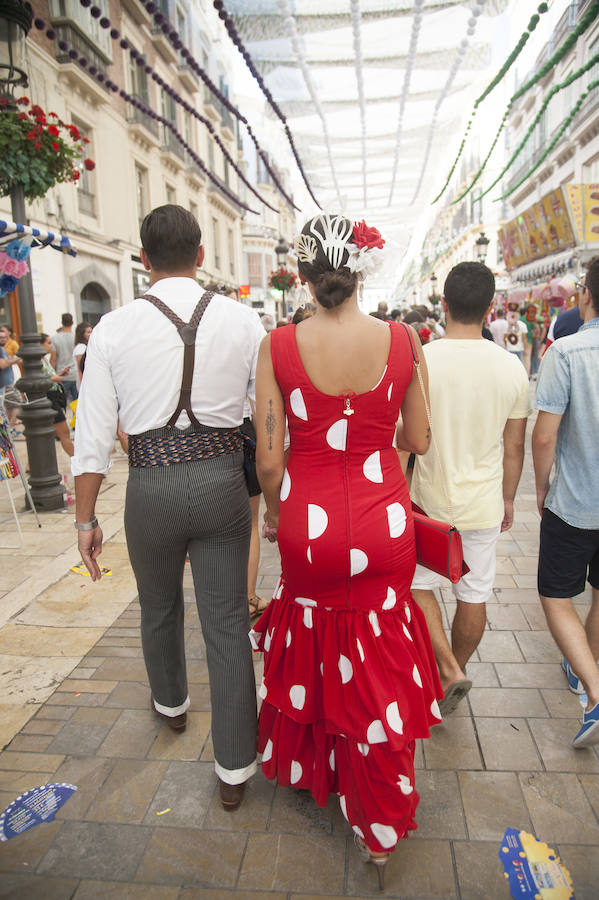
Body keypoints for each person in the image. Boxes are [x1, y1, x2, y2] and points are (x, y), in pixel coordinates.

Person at [253, 214, 442, 889]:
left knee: (317, 647)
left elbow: (269, 463)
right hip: (383, 522)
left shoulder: (276, 344)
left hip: (309, 528)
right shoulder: (401, 339)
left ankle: (323, 775)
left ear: (301, 274)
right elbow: (418, 436)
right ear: (360, 270)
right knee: (377, 662)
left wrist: (277, 517)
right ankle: (381, 826)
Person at [72, 204, 264, 810]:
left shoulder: (112, 330)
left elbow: (93, 437)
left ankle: (173, 707)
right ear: (202, 256)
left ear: (143, 258)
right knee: (228, 622)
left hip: (150, 483)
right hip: (221, 481)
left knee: (157, 605)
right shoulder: (244, 322)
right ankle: (235, 769)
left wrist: (84, 520)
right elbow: (267, 415)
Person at [409, 262, 530, 714]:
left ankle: (447, 668)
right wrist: (508, 498)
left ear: (444, 305)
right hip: (482, 503)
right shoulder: (511, 368)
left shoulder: (422, 359)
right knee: (474, 592)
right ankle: (454, 669)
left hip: (427, 499)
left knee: (416, 585)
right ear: (490, 306)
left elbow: (408, 432)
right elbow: (514, 445)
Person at [532, 257, 599, 748]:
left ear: (586, 297)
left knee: (556, 596)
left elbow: (544, 436)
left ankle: (595, 692)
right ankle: (584, 669)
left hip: (575, 501)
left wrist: (540, 485)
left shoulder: (569, 352)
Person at [40, 334, 74, 457]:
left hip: (53, 396)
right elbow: (45, 379)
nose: (51, 346)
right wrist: (58, 378)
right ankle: (77, 461)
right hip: (49, 398)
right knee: (64, 433)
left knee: (46, 434)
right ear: (40, 344)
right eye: (48, 343)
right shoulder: (38, 361)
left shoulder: (44, 359)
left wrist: (60, 374)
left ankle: (31, 464)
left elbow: (48, 377)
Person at [50, 313, 78, 403]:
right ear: (72, 322)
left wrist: (52, 374)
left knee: (61, 402)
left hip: (61, 374)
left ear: (62, 323)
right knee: (77, 403)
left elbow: (53, 359)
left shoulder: (55, 338)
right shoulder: (76, 338)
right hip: (75, 373)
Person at [73, 321, 92, 388]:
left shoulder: (86, 346)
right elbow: (80, 368)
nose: (90, 334)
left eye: (91, 332)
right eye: (88, 332)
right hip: (84, 383)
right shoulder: (80, 348)